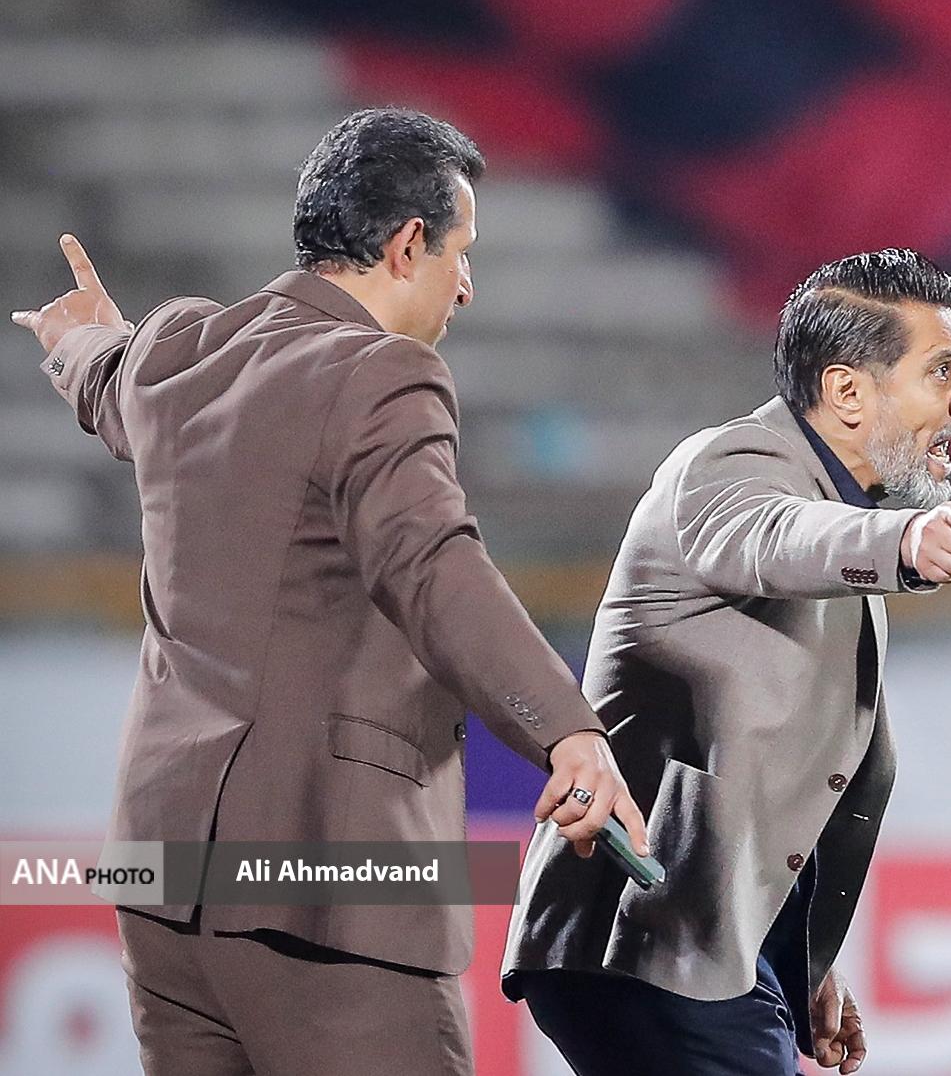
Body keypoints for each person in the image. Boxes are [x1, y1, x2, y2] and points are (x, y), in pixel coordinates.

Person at [10, 108, 646, 1076]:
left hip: (161, 875)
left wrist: (79, 342)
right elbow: (430, 562)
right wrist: (567, 730)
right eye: (462, 253)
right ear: (407, 244)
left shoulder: (181, 346)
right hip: (322, 879)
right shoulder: (380, 373)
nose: (466, 284)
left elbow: (114, 382)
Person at [503, 247, 951, 1076]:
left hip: (704, 947)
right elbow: (778, 536)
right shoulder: (731, 466)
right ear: (847, 391)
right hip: (641, 938)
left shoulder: (839, 506)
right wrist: (906, 540)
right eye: (943, 370)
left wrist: (793, 950)